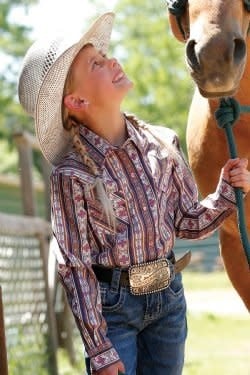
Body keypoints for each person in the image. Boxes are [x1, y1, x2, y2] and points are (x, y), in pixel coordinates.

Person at [18, 12, 250, 375]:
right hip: (114, 312)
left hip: (168, 299)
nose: (112, 59)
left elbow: (186, 222)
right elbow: (75, 265)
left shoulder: (163, 144)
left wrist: (224, 194)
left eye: (105, 54)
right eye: (96, 63)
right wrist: (99, 348)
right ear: (76, 102)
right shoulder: (72, 176)